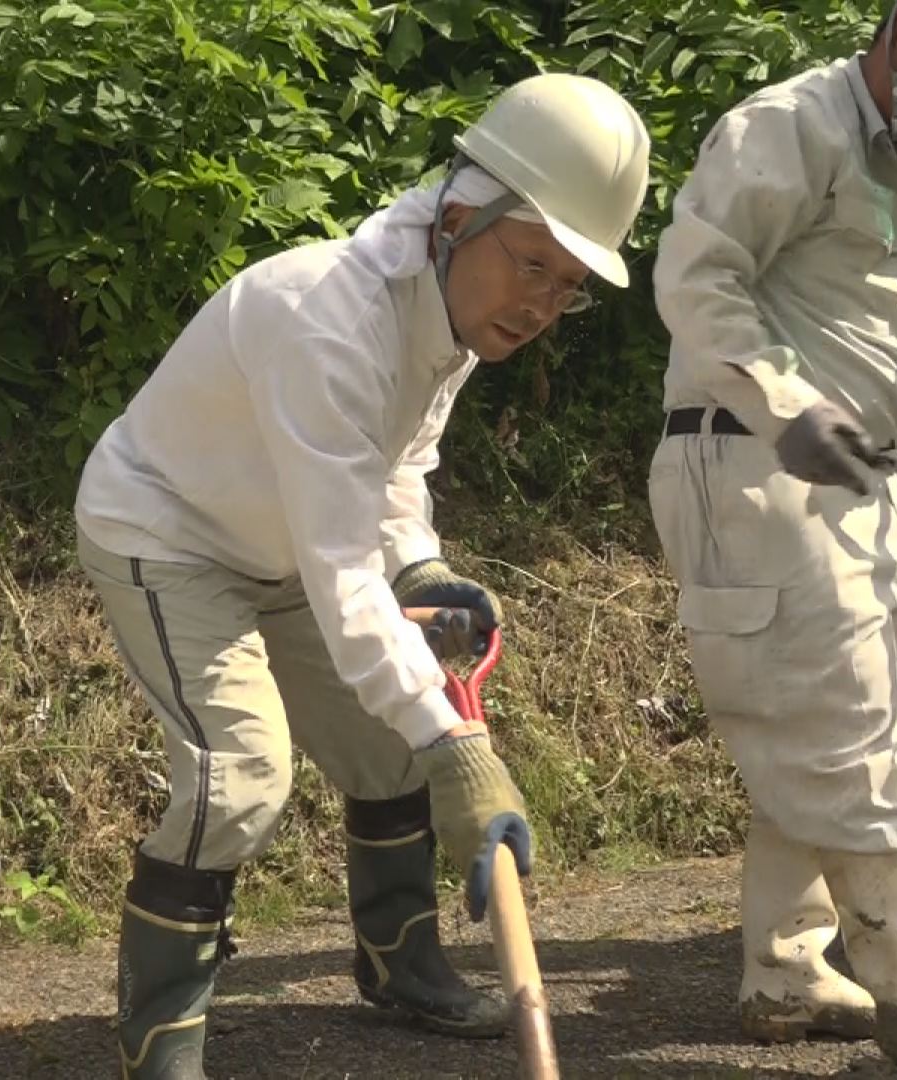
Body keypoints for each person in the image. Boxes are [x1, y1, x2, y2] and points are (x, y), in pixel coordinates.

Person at [74, 73, 650, 1077]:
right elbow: (344, 578)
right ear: (462, 216)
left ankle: (399, 961)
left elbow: (397, 470)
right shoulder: (327, 319)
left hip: (293, 539)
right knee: (238, 782)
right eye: (531, 265)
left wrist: (420, 566)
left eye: (569, 285)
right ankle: (161, 1038)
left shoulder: (456, 313)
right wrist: (458, 748)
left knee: (393, 741)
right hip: (169, 532)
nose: (544, 304)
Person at [649, 0, 897, 1074]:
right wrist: (787, 401)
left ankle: (787, 971)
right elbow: (696, 277)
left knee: (849, 716)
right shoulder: (789, 128)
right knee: (844, 732)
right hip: (753, 456)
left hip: (859, 476)